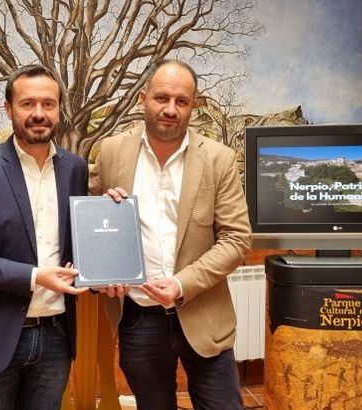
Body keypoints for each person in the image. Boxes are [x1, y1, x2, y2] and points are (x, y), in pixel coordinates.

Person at [89, 59, 251, 409]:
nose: (170, 109)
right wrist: (104, 264)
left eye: (181, 101)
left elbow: (237, 240)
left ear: (194, 104)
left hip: (204, 315)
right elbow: (92, 222)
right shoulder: (113, 151)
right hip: (138, 317)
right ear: (143, 99)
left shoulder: (219, 159)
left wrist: (181, 284)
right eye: (161, 98)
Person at [0, 64, 89, 410]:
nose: (39, 114)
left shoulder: (75, 169)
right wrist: (35, 276)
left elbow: (81, 243)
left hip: (56, 335)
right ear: (9, 108)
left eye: (48, 104)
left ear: (59, 110)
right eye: (27, 104)